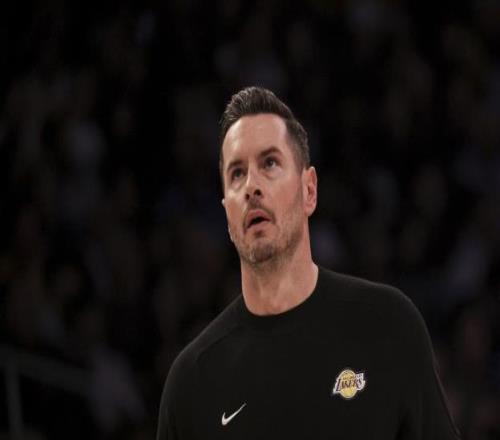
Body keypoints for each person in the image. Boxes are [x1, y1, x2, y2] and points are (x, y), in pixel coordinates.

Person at [156, 86, 461, 439]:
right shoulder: (192, 381)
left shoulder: (388, 324)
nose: (252, 186)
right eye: (237, 173)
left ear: (309, 190)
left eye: (269, 163)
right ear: (227, 212)